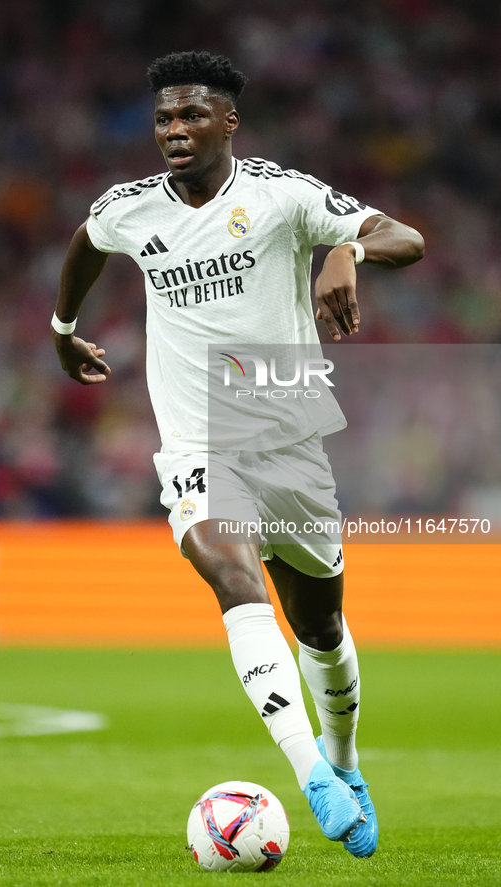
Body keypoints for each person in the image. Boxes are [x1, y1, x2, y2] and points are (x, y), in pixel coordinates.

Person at [51, 51, 424, 858]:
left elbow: (406, 236)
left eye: (191, 116)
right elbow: (86, 239)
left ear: (229, 122)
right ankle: (310, 777)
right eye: (162, 119)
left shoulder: (282, 197)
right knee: (231, 575)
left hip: (288, 442)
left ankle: (344, 760)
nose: (174, 131)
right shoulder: (132, 208)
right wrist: (60, 328)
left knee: (319, 621)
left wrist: (345, 251)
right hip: (196, 442)